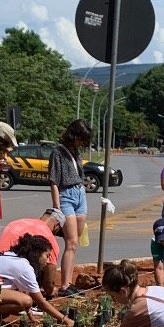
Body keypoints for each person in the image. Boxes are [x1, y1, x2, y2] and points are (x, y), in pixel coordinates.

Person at [0, 234, 75, 327]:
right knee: (26, 301)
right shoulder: (24, 267)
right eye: (47, 256)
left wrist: (31, 317)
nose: (47, 261)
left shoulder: (11, 256)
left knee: (20, 301)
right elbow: (41, 302)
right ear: (37, 253)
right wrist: (66, 320)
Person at [50, 119, 92, 296]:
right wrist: (57, 207)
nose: (82, 143)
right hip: (66, 195)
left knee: (75, 242)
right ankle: (64, 285)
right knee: (71, 242)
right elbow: (53, 181)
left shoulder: (75, 152)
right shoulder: (57, 153)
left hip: (79, 193)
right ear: (73, 135)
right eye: (81, 138)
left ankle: (69, 282)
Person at [0, 207, 65, 267]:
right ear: (57, 226)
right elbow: (50, 267)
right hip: (11, 271)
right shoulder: (49, 237)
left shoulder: (17, 223)